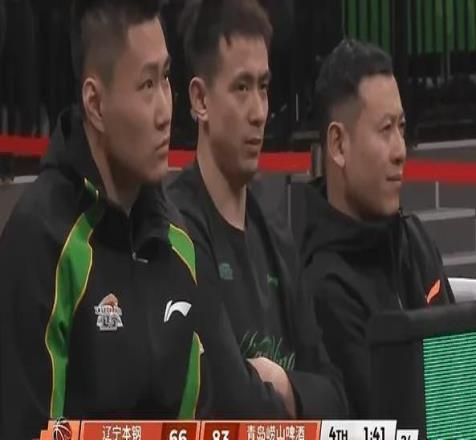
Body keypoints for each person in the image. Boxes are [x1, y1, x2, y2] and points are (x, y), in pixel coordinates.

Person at [0, 1, 202, 437]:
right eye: (146, 85)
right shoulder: (39, 242)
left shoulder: (179, 243)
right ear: (95, 103)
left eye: (166, 78)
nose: (166, 111)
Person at [167, 0, 347, 418]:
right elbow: (231, 402)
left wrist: (284, 385)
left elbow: (337, 397)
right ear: (200, 99)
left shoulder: (276, 231)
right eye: (241, 88)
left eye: (263, 87)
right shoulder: (177, 230)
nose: (259, 112)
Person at [296, 38, 455, 418]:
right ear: (338, 145)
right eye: (385, 130)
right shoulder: (323, 286)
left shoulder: (415, 240)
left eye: (402, 127)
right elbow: (396, 420)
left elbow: (462, 369)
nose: (400, 150)